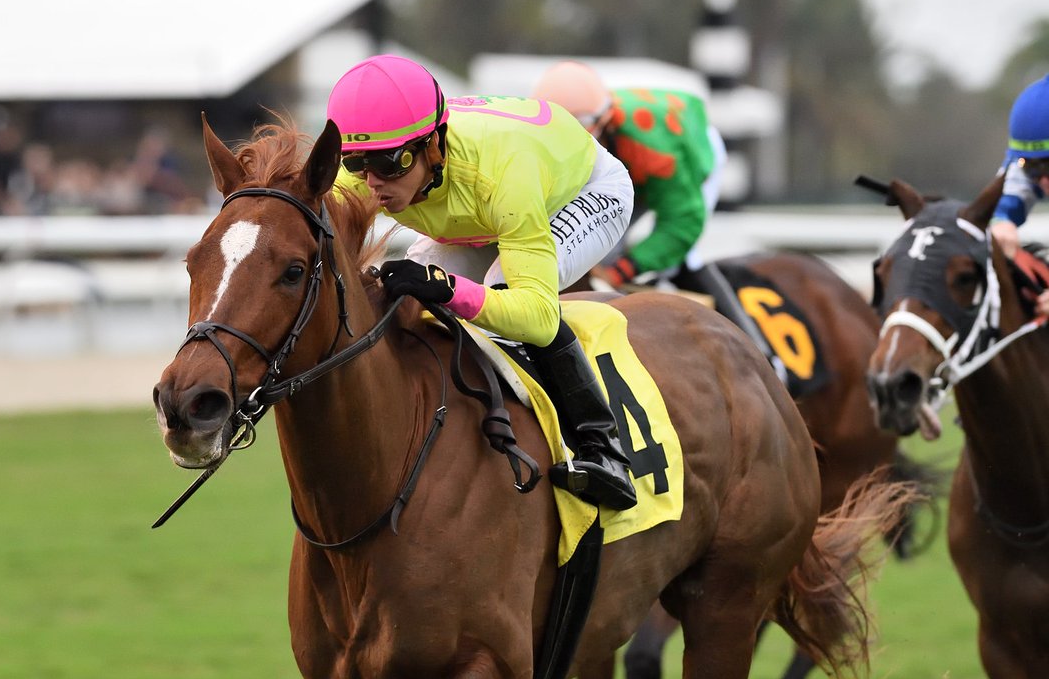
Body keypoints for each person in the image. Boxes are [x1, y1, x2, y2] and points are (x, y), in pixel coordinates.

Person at [326, 53, 638, 510]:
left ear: (433, 146)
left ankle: (602, 448)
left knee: (502, 293)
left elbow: (538, 317)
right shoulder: (363, 176)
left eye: (390, 164)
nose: (371, 184)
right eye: (357, 165)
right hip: (480, 209)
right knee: (402, 295)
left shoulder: (504, 175)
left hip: (580, 190)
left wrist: (449, 289)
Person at [532, 60, 785, 379]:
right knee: (602, 249)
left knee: (680, 258)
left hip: (682, 156)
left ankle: (763, 357)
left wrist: (623, 269)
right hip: (627, 162)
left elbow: (680, 226)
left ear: (604, 123)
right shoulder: (585, 123)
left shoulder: (654, 150)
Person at [990, 73, 1049, 320]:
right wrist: (1000, 220)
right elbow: (1004, 199)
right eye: (1033, 168)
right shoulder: (1024, 157)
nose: (1044, 182)